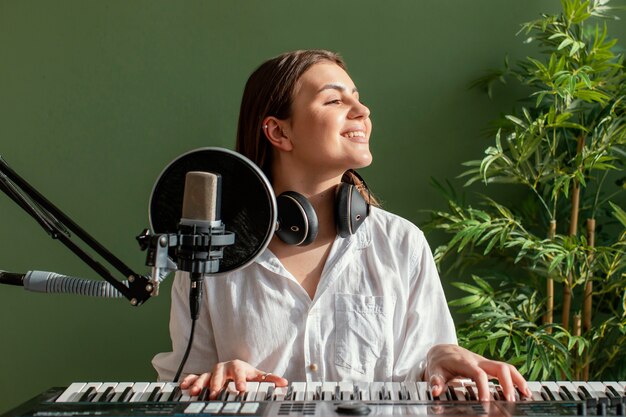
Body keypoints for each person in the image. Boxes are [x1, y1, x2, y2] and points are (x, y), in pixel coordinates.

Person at [152, 49, 531, 402]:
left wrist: (438, 360)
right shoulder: (209, 253)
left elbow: (431, 386)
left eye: (358, 97)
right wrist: (214, 381)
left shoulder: (401, 244)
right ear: (279, 132)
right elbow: (179, 390)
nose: (363, 110)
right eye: (335, 100)